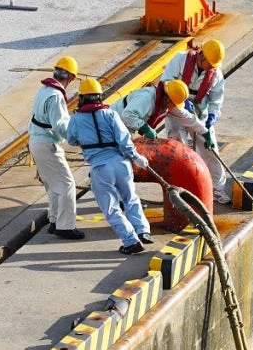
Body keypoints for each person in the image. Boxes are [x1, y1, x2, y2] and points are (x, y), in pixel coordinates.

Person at [66, 78, 154, 255]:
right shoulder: (110, 114)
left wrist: (88, 139)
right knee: (130, 198)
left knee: (111, 207)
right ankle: (142, 230)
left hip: (100, 167)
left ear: (82, 98)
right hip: (121, 163)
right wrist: (136, 157)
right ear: (99, 97)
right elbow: (124, 139)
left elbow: (71, 139)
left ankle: (130, 241)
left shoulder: (76, 119)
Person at [160, 39, 229, 203]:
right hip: (176, 107)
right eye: (210, 64)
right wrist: (181, 99)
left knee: (208, 146)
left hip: (200, 111)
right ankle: (181, 186)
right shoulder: (180, 60)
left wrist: (212, 116)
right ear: (202, 55)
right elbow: (165, 82)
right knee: (178, 145)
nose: (212, 67)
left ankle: (217, 188)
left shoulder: (216, 74)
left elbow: (216, 100)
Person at [29, 56, 84, 240]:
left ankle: (54, 221)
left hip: (36, 142)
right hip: (47, 145)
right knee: (67, 184)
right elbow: (60, 124)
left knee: (53, 185)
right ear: (69, 77)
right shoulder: (56, 96)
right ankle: (65, 226)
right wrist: (76, 138)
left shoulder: (44, 90)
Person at [110, 79, 206, 140]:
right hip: (112, 124)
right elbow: (127, 115)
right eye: (174, 104)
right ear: (167, 98)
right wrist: (146, 129)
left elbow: (186, 117)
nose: (174, 107)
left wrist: (205, 132)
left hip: (125, 127)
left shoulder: (165, 103)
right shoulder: (147, 98)